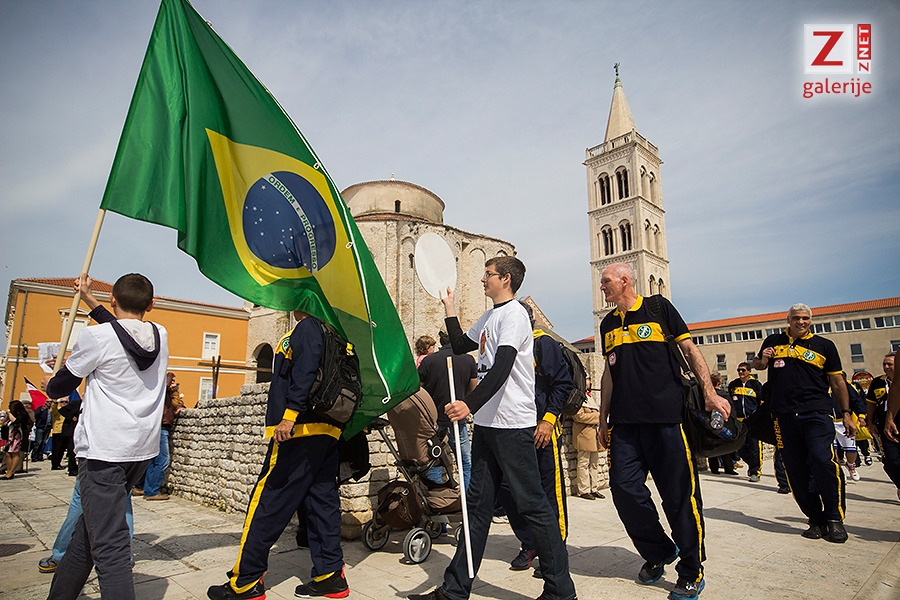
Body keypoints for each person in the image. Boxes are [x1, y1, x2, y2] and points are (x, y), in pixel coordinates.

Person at [410, 256, 577, 600]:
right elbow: (460, 346)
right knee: (477, 508)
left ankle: (561, 590)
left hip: (513, 426)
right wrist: (449, 307)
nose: (483, 279)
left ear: (506, 279)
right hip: (488, 426)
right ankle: (455, 590)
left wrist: (468, 404)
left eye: (488, 274)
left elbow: (502, 368)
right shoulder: (490, 317)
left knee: (533, 505)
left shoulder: (514, 315)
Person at [597, 263, 728, 600]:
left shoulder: (658, 308)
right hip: (625, 425)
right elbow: (608, 374)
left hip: (667, 420)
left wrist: (710, 393)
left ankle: (691, 569)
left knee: (679, 496)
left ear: (625, 281)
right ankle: (658, 551)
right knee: (624, 491)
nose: (602, 287)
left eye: (606, 281)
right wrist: (602, 418)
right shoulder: (607, 324)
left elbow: (690, 350)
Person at [42, 272, 168, 600]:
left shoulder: (95, 337)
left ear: (113, 299)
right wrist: (90, 299)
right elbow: (124, 333)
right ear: (151, 305)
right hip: (140, 451)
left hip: (104, 452)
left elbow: (61, 386)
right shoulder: (160, 334)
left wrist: (50, 383)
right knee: (88, 535)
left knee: (110, 549)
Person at [207, 309, 349, 600]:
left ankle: (245, 581)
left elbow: (305, 369)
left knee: (269, 500)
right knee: (321, 502)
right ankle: (330, 575)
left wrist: (290, 414)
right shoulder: (335, 332)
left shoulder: (308, 327)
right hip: (328, 428)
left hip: (300, 429)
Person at [752, 303, 852, 544]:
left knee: (821, 460)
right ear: (788, 320)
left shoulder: (824, 346)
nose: (801, 322)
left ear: (810, 320)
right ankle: (815, 519)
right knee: (795, 469)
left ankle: (834, 518)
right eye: (796, 318)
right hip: (783, 415)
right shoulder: (773, 341)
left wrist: (847, 413)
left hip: (816, 413)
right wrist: (762, 359)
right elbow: (758, 365)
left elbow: (837, 382)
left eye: (805, 318)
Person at [498, 300, 573, 577]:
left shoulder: (543, 344)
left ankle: (555, 553)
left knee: (548, 492)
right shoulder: (506, 347)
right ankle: (530, 542)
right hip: (513, 430)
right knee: (507, 489)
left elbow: (562, 384)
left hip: (543, 431)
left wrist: (548, 420)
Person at [418, 329, 477, 490]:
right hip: (458, 417)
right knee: (465, 462)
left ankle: (437, 496)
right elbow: (473, 389)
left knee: (434, 458)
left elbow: (418, 390)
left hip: (434, 418)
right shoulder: (468, 360)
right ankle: (467, 497)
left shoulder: (429, 361)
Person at [141, 372, 183, 501]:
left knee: (153, 460)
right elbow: (165, 386)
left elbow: (175, 404)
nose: (173, 384)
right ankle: (152, 491)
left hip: (159, 426)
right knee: (162, 460)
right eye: (172, 382)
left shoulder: (166, 395)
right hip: (161, 427)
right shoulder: (161, 391)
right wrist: (169, 376)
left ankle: (147, 488)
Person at [868, 352, 899, 499]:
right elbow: (870, 404)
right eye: (884, 364)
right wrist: (870, 422)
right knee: (891, 462)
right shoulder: (877, 382)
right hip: (885, 428)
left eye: (890, 364)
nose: (886, 367)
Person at [728, 363, 763, 481]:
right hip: (739, 421)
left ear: (749, 371)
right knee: (740, 447)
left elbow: (761, 402)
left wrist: (758, 416)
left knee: (754, 446)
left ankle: (755, 472)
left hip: (752, 420)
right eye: (738, 370)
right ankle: (752, 463)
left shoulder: (755, 385)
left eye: (743, 370)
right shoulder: (734, 385)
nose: (740, 372)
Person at [572, 376, 604, 500]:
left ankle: (593, 488)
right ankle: (584, 489)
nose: (588, 382)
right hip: (584, 434)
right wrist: (597, 417)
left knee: (594, 463)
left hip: (593, 435)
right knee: (583, 462)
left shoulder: (589, 397)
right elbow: (579, 417)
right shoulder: (577, 398)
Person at [832, 372, 865, 482]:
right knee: (832, 451)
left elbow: (857, 400)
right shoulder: (821, 384)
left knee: (851, 450)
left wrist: (861, 416)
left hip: (843, 422)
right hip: (828, 421)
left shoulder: (846, 385)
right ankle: (839, 473)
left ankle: (851, 465)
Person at [706, 373, 737, 476]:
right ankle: (729, 467)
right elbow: (731, 410)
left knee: (712, 445)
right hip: (724, 422)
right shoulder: (724, 394)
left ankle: (714, 468)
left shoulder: (705, 395)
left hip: (709, 422)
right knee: (725, 446)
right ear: (719, 382)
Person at [3, 400, 33, 479]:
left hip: (18, 436)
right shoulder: (13, 414)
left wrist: (9, 414)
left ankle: (11, 472)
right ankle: (8, 471)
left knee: (15, 454)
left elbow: (16, 421)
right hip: (10, 436)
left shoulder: (22, 414)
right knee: (7, 453)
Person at [31, 398, 51, 462]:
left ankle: (40, 455)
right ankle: (34, 456)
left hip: (48, 427)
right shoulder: (41, 408)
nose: (49, 403)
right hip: (40, 427)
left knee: (44, 442)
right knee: (38, 442)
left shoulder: (52, 409)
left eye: (50, 402)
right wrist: (41, 410)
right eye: (47, 401)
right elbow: (36, 415)